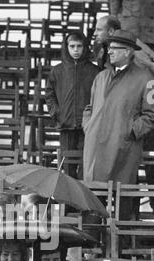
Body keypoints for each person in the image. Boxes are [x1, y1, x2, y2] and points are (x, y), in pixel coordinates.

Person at [82, 30, 154, 212]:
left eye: (114, 48)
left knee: (123, 204)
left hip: (124, 151)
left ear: (128, 51)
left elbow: (151, 115)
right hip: (95, 150)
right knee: (94, 205)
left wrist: (129, 132)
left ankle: (120, 241)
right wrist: (89, 126)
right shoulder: (100, 77)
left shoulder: (147, 79)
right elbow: (89, 107)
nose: (110, 52)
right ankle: (93, 240)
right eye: (109, 48)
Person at [45, 31, 99, 178]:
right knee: (67, 167)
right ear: (66, 47)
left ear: (85, 47)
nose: (76, 50)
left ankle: (81, 200)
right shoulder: (57, 70)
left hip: (87, 127)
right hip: (66, 125)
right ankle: (68, 201)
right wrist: (56, 113)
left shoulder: (94, 71)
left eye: (79, 46)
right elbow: (49, 94)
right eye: (72, 46)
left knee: (85, 166)